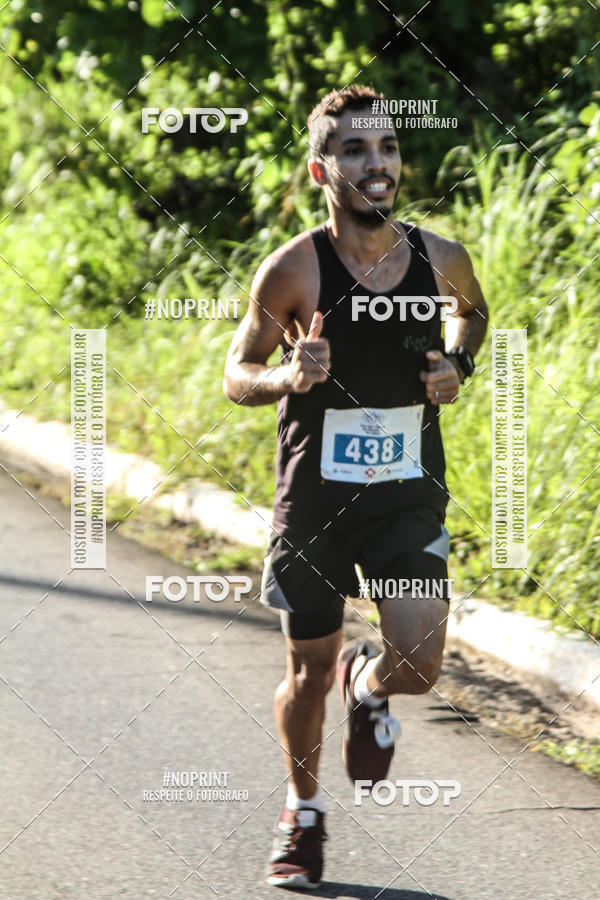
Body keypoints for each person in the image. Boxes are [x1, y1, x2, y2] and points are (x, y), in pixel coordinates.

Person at [223, 85, 488, 890]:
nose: (377, 165)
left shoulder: (440, 256)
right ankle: (302, 814)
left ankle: (368, 687)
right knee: (306, 670)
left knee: (418, 661)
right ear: (320, 169)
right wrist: (284, 379)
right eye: (355, 151)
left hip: (406, 495)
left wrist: (457, 366)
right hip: (315, 506)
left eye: (388, 150)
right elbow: (236, 375)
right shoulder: (295, 268)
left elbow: (473, 314)